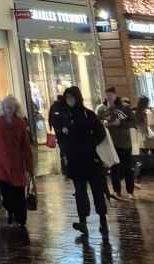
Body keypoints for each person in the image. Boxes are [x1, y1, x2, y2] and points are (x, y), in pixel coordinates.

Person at [61, 84, 109, 240]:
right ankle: (83, 222)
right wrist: (64, 133)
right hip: (76, 162)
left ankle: (103, 220)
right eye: (67, 98)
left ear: (77, 97)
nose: (69, 101)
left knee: (97, 191)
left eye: (71, 97)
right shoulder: (67, 116)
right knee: (80, 193)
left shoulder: (88, 114)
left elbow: (100, 133)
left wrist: (88, 145)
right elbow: (64, 138)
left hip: (91, 160)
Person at [0, 96, 34, 230]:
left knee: (19, 191)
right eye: (7, 107)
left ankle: (21, 218)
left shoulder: (20, 123)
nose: (9, 110)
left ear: (15, 109)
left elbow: (26, 145)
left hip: (17, 163)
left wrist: (30, 166)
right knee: (7, 192)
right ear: (2, 108)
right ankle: (11, 212)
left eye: (12, 107)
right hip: (1, 163)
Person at [96, 87, 135, 197]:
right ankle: (116, 191)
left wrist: (120, 123)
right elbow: (96, 122)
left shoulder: (124, 108)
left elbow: (132, 122)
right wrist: (103, 123)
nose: (108, 97)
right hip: (110, 144)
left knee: (127, 168)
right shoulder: (102, 109)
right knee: (114, 168)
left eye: (110, 95)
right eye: (107, 95)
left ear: (115, 95)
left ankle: (130, 191)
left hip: (124, 143)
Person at [48, 93, 69, 176]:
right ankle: (65, 168)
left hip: (58, 131)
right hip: (63, 130)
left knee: (62, 149)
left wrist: (51, 126)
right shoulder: (62, 106)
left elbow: (51, 117)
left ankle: (64, 168)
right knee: (65, 149)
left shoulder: (54, 106)